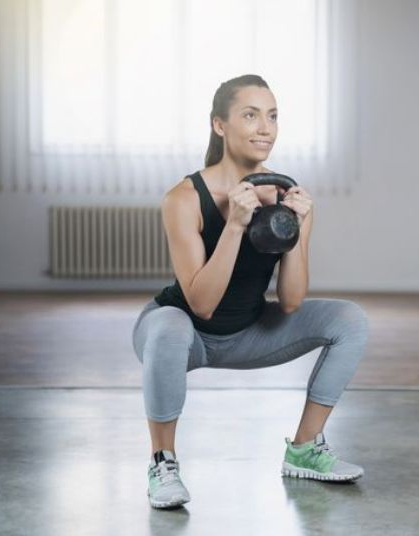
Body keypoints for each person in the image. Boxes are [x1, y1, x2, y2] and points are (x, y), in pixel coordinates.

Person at [131, 74, 370, 509]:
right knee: (168, 324)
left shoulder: (283, 194)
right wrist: (236, 225)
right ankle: (163, 464)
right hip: (185, 336)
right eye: (251, 115)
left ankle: (304, 449)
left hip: (248, 334)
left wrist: (300, 228)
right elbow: (201, 305)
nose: (266, 128)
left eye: (273, 116)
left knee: (349, 319)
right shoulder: (184, 198)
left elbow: (292, 301)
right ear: (220, 125)